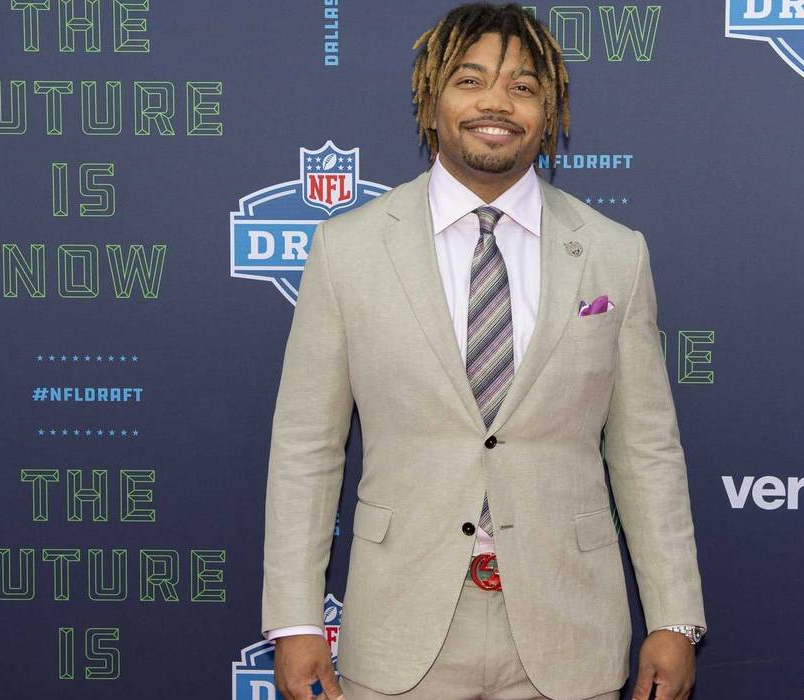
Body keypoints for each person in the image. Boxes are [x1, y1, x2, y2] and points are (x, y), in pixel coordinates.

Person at [260, 4, 706, 699]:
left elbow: (646, 451)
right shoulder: (346, 249)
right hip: (400, 628)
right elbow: (306, 448)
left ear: (549, 110)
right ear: (431, 99)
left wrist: (674, 619)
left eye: (523, 87)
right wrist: (294, 621)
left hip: (569, 629)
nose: (495, 103)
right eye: (470, 81)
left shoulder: (615, 254)